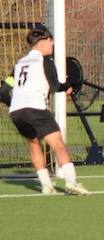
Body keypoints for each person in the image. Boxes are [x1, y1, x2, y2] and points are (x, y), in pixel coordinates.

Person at [8, 27, 90, 195]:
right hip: (35, 108)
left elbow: (3, 90)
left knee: (33, 143)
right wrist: (67, 87)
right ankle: (71, 181)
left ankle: (46, 185)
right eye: (50, 41)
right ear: (42, 43)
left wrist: (16, 103)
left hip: (16, 111)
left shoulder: (19, 63)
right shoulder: (45, 61)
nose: (52, 44)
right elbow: (54, 87)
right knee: (58, 143)